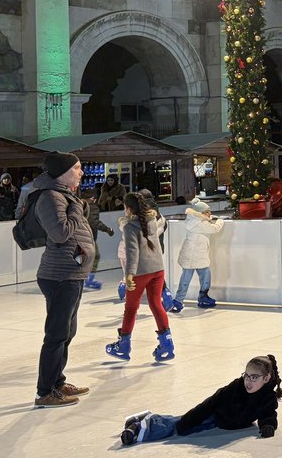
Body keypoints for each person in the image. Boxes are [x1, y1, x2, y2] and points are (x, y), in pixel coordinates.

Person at [28, 152, 94, 408]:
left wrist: (76, 205)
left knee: (67, 331)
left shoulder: (64, 196)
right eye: (77, 168)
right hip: (59, 275)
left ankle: (57, 382)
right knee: (56, 334)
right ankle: (44, 392)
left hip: (71, 274)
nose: (81, 172)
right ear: (63, 172)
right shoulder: (50, 197)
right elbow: (60, 233)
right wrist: (77, 209)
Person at [120, 354, 282, 446]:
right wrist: (189, 419)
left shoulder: (267, 398)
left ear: (266, 378)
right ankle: (138, 428)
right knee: (179, 425)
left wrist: (268, 426)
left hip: (226, 423)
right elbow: (211, 402)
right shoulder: (236, 387)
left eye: (254, 377)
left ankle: (145, 420)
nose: (248, 381)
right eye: (246, 376)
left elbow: (268, 414)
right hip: (216, 415)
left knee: (181, 425)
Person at [106, 192, 174, 362]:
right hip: (158, 269)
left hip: (141, 272)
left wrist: (129, 274)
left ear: (128, 209)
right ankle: (167, 344)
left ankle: (123, 346)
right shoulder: (151, 221)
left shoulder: (130, 227)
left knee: (131, 308)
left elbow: (132, 252)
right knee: (156, 304)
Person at [172, 197, 222, 313]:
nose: (210, 213)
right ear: (201, 213)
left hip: (193, 254)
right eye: (207, 212)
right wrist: (220, 220)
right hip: (197, 255)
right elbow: (215, 228)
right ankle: (200, 297)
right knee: (203, 276)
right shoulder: (199, 223)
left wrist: (209, 218)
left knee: (189, 277)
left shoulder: (194, 220)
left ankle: (180, 300)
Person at [83, 193, 114, 290]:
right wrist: (107, 229)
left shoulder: (79, 204)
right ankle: (88, 279)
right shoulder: (92, 207)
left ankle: (85, 278)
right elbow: (94, 222)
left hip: (79, 235)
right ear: (93, 198)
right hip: (88, 236)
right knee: (95, 256)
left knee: (83, 257)